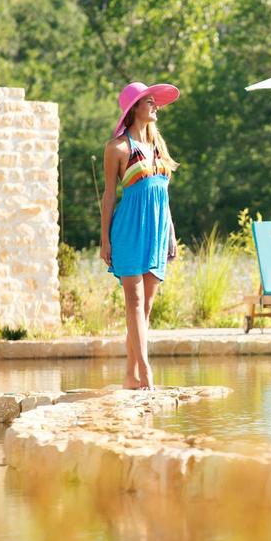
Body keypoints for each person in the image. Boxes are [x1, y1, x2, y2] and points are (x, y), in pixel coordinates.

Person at [100, 82, 180, 390]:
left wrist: (171, 233)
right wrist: (104, 240)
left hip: (157, 231)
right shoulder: (117, 148)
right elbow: (109, 197)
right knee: (132, 300)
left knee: (145, 307)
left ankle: (130, 375)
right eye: (149, 102)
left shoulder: (159, 147)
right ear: (134, 108)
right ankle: (146, 372)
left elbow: (164, 196)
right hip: (128, 230)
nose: (155, 106)